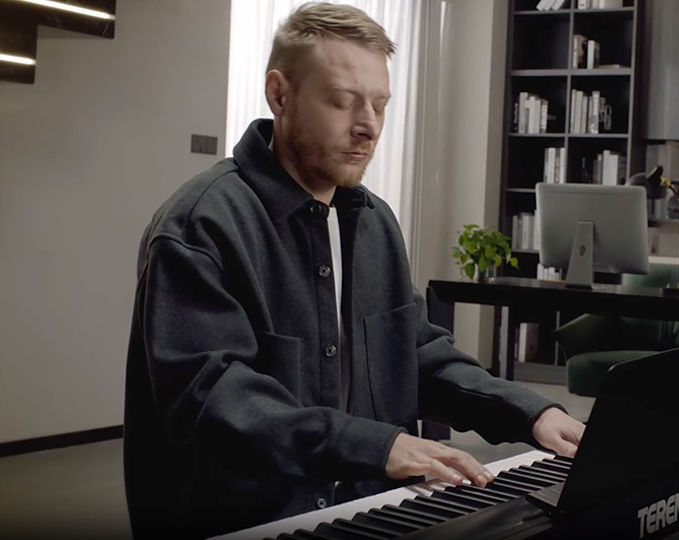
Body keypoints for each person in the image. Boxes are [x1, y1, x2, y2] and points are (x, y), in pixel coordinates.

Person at [122, 3, 585, 540]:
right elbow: (214, 400)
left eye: (380, 105)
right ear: (279, 94)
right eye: (343, 101)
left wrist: (532, 413)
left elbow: (417, 356)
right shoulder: (200, 224)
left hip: (370, 510)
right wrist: (377, 446)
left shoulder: (374, 222)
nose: (368, 126)